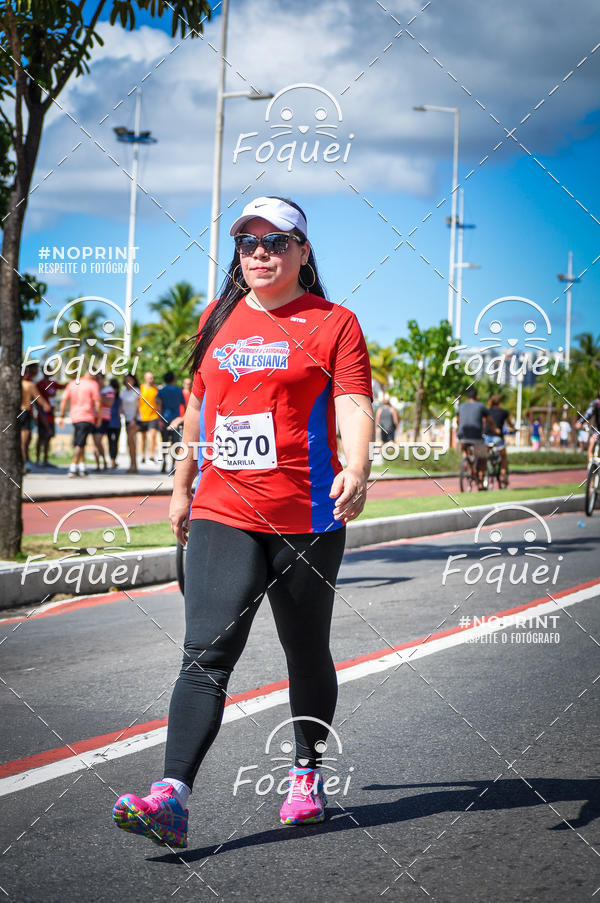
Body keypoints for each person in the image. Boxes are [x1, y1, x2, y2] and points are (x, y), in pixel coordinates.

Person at [112, 195, 373, 847]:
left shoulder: (334, 323)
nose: (261, 253)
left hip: (307, 516)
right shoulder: (217, 317)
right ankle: (171, 796)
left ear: (303, 252)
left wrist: (358, 466)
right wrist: (181, 487)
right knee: (206, 650)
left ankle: (306, 772)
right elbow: (198, 409)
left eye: (277, 241)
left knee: (304, 648)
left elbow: (352, 403)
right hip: (223, 508)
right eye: (248, 242)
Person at [58, 366, 101, 477]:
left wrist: (62, 415)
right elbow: (97, 403)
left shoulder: (73, 383)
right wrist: (99, 417)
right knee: (80, 443)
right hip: (86, 416)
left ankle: (82, 467)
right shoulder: (93, 384)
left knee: (81, 442)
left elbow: (64, 400)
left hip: (74, 417)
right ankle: (73, 468)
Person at [456, 386, 497, 490]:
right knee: (482, 458)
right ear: (477, 396)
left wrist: (460, 428)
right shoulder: (481, 406)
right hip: (476, 436)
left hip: (462, 435)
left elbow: (458, 420)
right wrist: (495, 429)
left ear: (467, 397)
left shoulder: (461, 406)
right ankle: (480, 483)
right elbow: (490, 421)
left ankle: (466, 462)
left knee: (464, 448)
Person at [20, 365, 50, 473]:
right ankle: (24, 464)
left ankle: (23, 462)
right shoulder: (29, 385)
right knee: (24, 442)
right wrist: (46, 406)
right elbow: (39, 399)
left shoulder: (12, 385)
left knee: (19, 441)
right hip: (25, 413)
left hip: (15, 413)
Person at [35, 367, 65, 466]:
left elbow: (63, 386)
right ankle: (37, 460)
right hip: (43, 415)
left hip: (51, 415)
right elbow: (36, 400)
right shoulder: (39, 384)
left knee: (48, 437)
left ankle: (45, 460)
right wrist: (40, 413)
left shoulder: (53, 383)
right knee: (41, 438)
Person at [483, 394, 516, 481]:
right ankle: (503, 476)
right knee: (504, 457)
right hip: (497, 437)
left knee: (485, 456)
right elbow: (510, 424)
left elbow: (484, 422)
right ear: (500, 402)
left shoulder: (487, 411)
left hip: (486, 436)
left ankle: (483, 473)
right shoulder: (504, 412)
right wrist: (514, 429)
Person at [158, 371, 185, 474]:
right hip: (176, 420)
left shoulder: (161, 391)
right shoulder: (179, 390)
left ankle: (164, 461)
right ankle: (173, 465)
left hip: (165, 419)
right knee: (175, 443)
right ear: (173, 380)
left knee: (164, 442)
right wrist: (183, 418)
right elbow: (184, 405)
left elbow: (159, 406)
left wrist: (159, 420)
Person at [138, 371, 161, 464]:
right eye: (149, 377)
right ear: (145, 378)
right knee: (143, 437)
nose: (151, 379)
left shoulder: (156, 389)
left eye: (152, 377)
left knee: (152, 436)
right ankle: (143, 456)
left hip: (153, 416)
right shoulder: (140, 388)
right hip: (142, 416)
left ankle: (151, 455)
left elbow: (159, 403)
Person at [120, 373, 140, 474]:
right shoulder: (123, 392)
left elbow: (139, 406)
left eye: (130, 380)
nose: (128, 382)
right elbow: (121, 405)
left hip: (135, 420)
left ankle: (134, 465)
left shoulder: (136, 391)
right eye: (126, 380)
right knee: (130, 443)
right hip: (126, 419)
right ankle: (132, 465)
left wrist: (134, 419)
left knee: (131, 441)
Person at [92, 373, 112, 471]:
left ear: (103, 379)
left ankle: (103, 462)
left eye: (99, 378)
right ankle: (99, 465)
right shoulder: (92, 389)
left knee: (97, 441)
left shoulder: (108, 389)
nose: (97, 380)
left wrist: (98, 394)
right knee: (95, 443)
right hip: (93, 418)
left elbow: (109, 402)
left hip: (104, 418)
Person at [106, 378, 122, 469]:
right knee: (110, 442)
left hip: (116, 423)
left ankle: (113, 460)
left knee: (115, 442)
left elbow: (120, 411)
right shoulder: (108, 398)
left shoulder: (119, 399)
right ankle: (112, 460)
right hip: (109, 422)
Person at [581, 389, 600, 460]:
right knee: (592, 442)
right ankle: (590, 463)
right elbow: (588, 413)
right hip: (597, 429)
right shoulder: (596, 403)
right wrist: (581, 421)